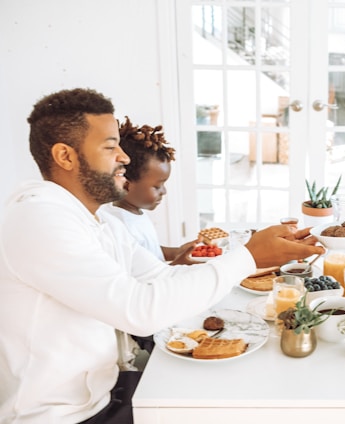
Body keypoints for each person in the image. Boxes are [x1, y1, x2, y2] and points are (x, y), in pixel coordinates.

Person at [0, 88, 325, 424]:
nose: (124, 157)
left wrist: (264, 257)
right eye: (110, 147)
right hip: (62, 417)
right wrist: (246, 258)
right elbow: (140, 311)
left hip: (106, 393)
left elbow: (162, 277)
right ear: (65, 156)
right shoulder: (37, 219)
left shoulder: (99, 220)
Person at [100, 116, 199, 265]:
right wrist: (178, 263)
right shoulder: (121, 226)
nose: (164, 191)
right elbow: (142, 279)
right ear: (126, 184)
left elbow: (150, 251)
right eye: (157, 186)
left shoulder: (134, 213)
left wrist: (177, 252)